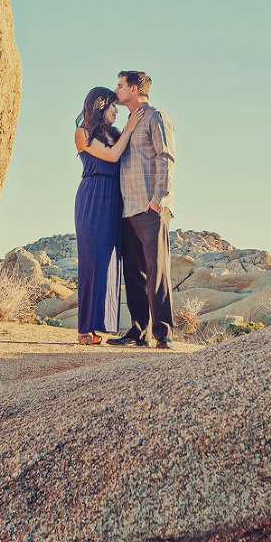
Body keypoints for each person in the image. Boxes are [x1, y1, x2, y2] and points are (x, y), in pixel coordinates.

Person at [108, 71, 176, 349]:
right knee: (134, 275)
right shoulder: (129, 122)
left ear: (134, 89)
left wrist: (159, 199)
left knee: (156, 271)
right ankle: (138, 331)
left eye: (121, 85)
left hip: (150, 208)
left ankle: (164, 334)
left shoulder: (155, 117)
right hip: (128, 210)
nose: (117, 89)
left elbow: (166, 156)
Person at [74, 87, 143, 346]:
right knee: (92, 261)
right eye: (113, 106)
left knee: (110, 262)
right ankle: (85, 329)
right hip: (92, 198)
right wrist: (129, 129)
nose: (117, 111)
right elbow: (112, 156)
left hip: (116, 200)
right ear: (101, 106)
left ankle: (100, 326)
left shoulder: (115, 134)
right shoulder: (82, 133)